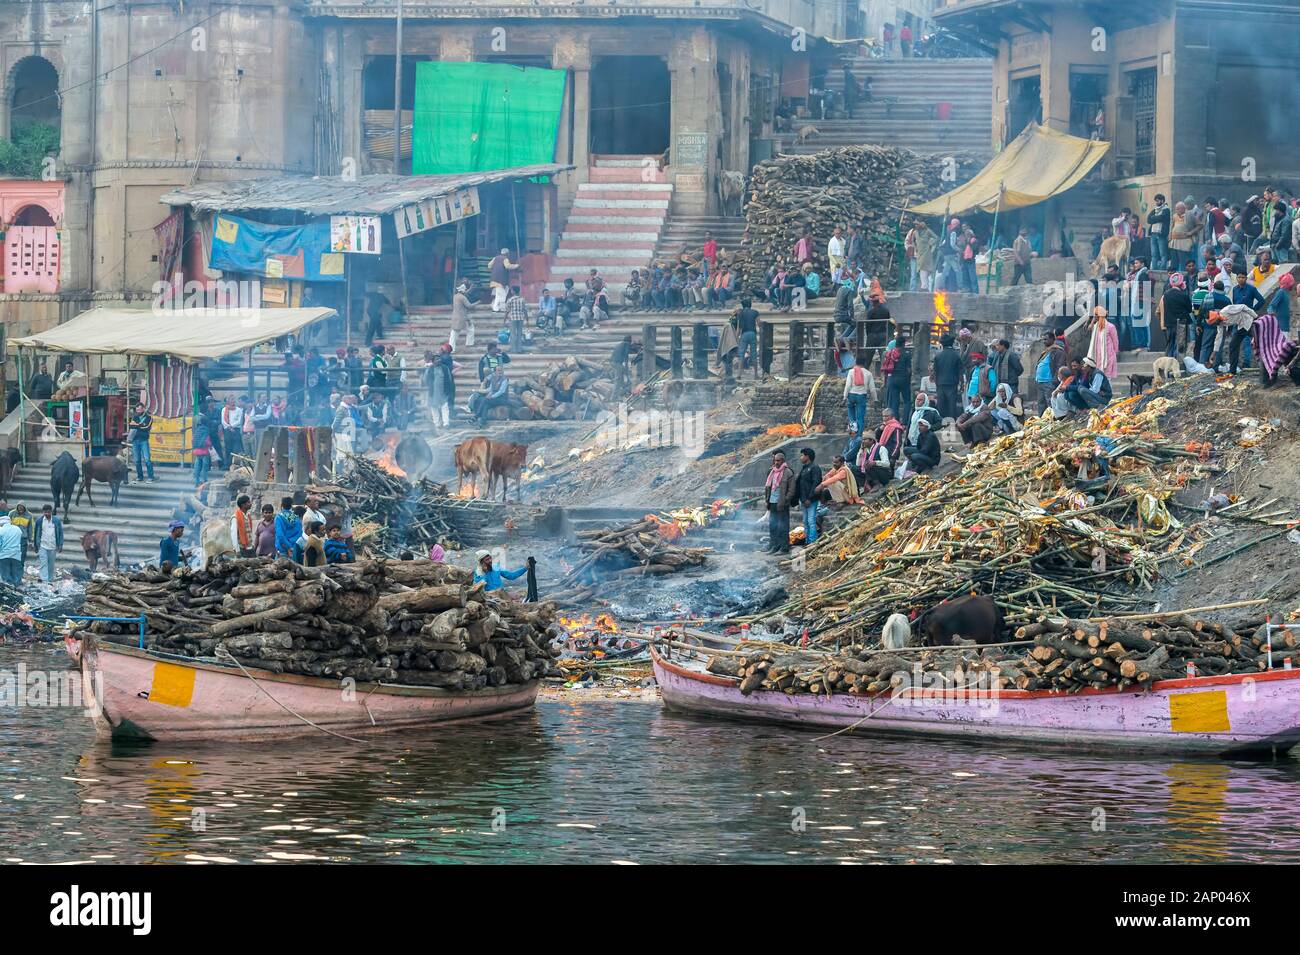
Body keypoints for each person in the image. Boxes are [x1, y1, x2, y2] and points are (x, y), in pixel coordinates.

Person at [860, 409, 904, 490]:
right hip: (880, 451)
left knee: (884, 469)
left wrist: (893, 456)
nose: (884, 418)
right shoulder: (884, 426)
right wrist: (880, 429)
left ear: (891, 417)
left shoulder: (896, 427)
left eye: (886, 416)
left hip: (890, 453)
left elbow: (897, 443)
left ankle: (882, 483)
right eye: (883, 416)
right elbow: (875, 437)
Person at [762, 451, 796, 555]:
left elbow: (792, 490)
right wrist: (767, 500)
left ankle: (784, 548)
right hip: (772, 502)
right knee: (773, 526)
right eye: (775, 460)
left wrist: (786, 500)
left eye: (778, 460)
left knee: (783, 526)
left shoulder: (788, 472)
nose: (776, 462)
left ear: (783, 461)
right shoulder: (771, 472)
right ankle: (774, 546)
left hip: (782, 503)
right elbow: (768, 488)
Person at [1032, 329, 1067, 414]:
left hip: (1049, 382)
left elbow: (1060, 367)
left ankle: (1052, 422)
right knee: (1041, 404)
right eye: (1043, 339)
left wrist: (1054, 380)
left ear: (1052, 339)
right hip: (1040, 381)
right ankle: (1041, 422)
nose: (1044, 341)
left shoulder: (1058, 351)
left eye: (1046, 339)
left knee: (1050, 403)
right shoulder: (1046, 351)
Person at [881, 331, 912, 423]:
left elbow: (885, 368)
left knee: (894, 402)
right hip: (903, 379)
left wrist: (885, 381)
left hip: (892, 379)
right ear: (904, 344)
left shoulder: (890, 353)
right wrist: (908, 379)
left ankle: (895, 421)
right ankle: (905, 421)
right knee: (907, 401)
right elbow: (909, 369)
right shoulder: (906, 354)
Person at [1160, 272, 1193, 357]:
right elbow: (1189, 309)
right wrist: (1185, 290)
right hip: (1181, 324)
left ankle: (1168, 364)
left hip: (1169, 323)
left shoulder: (1166, 295)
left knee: (1170, 344)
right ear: (1181, 283)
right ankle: (1176, 364)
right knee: (1179, 345)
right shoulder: (1184, 295)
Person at [842, 353, 875, 436]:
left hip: (851, 396)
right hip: (861, 396)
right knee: (860, 418)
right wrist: (875, 399)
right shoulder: (868, 373)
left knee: (852, 418)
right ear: (864, 363)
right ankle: (859, 436)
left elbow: (848, 385)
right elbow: (872, 389)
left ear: (856, 362)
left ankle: (853, 434)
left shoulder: (851, 372)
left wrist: (844, 397)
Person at [795, 448, 823, 545]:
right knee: (805, 521)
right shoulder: (804, 468)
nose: (800, 457)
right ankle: (807, 540)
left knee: (811, 520)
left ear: (807, 456)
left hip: (811, 500)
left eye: (802, 455)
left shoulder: (815, 468)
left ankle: (813, 541)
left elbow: (816, 484)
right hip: (803, 499)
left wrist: (809, 499)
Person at [1086, 306, 1119, 379]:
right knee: (1098, 376)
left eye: (1096, 314)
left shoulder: (1110, 326)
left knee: (1107, 377)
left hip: (1108, 355)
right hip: (1098, 356)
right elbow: (1089, 329)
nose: (1095, 316)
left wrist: (1115, 352)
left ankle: (1107, 390)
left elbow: (1115, 341)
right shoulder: (1095, 327)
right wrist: (1092, 321)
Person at [127, 402, 156, 483]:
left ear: (143, 408)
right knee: (137, 460)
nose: (138, 411)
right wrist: (140, 425)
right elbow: (131, 426)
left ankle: (151, 477)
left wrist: (137, 425)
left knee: (147, 459)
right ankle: (140, 477)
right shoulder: (135, 417)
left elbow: (147, 427)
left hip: (144, 441)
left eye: (139, 409)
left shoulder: (149, 418)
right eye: (137, 410)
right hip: (135, 441)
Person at [450, 281, 476, 350]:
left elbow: (465, 293)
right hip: (462, 318)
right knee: (456, 333)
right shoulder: (462, 297)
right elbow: (469, 306)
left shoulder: (455, 296)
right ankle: (469, 343)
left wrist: (470, 288)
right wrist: (477, 303)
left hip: (456, 317)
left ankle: (452, 348)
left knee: (454, 334)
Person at [1147, 194, 1171, 270]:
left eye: (1158, 200)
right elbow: (1148, 219)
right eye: (1156, 201)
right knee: (1154, 254)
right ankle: (1154, 269)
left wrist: (1154, 218)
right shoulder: (1155, 210)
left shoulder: (1166, 209)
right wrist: (1157, 218)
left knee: (1163, 254)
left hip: (1161, 234)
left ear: (1162, 200)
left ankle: (1162, 270)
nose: (1156, 202)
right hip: (1153, 234)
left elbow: (1163, 217)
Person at [191, 419, 215, 487]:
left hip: (197, 451)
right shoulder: (206, 430)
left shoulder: (197, 430)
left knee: (197, 467)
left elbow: (193, 440)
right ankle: (204, 481)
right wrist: (210, 445)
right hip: (204, 451)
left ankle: (196, 482)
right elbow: (207, 441)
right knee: (205, 467)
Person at [8, 503, 31, 575]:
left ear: (25, 509)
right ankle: (12, 574)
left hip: (23, 539)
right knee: (12, 557)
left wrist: (30, 540)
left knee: (22, 557)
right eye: (19, 509)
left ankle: (19, 575)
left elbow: (30, 529)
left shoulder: (29, 515)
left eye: (22, 509)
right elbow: (7, 525)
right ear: (17, 508)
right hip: (13, 539)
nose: (20, 511)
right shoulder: (12, 513)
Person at [0, 516, 22, 587]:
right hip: (16, 555)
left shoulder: (1, 530)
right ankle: (17, 591)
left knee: (6, 578)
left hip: (4, 556)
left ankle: (10, 593)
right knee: (16, 576)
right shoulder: (17, 529)